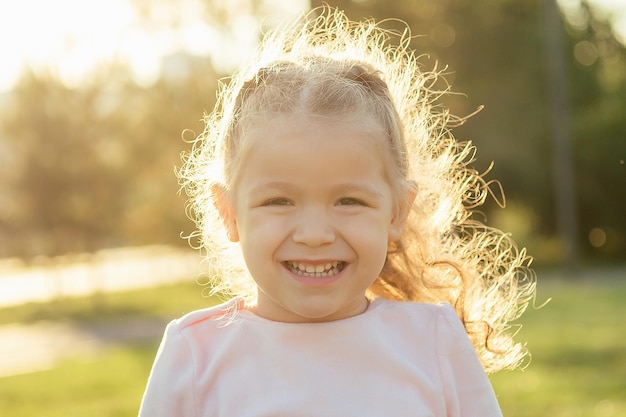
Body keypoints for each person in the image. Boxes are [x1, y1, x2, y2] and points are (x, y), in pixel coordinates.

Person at [138, 7, 536, 417]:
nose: (315, 234)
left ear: (397, 212)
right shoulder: (194, 354)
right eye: (279, 201)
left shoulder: (432, 342)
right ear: (229, 213)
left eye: (349, 201)